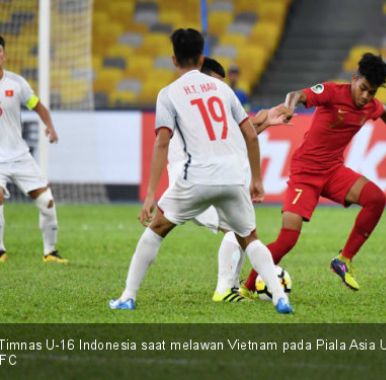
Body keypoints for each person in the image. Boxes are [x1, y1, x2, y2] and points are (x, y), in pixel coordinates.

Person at [109, 28, 293, 314]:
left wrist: (149, 195)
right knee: (248, 237)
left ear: (173, 59)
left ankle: (128, 296)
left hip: (193, 180)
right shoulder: (224, 89)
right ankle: (280, 297)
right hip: (232, 178)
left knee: (155, 231)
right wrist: (257, 179)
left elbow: (161, 142)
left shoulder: (169, 94)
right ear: (202, 56)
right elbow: (248, 135)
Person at [241, 53, 386, 295]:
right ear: (354, 79)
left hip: (333, 171)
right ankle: (246, 288)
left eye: (372, 92)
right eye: (363, 88)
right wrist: (289, 106)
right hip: (305, 173)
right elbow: (298, 94)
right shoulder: (331, 91)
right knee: (287, 239)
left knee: (376, 199)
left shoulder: (370, 105)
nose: (366, 96)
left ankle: (344, 259)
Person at [168, 57, 290, 303]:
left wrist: (265, 122)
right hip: (193, 180)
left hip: (203, 177)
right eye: (214, 82)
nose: (218, 88)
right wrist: (262, 120)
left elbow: (236, 135)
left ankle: (230, 288)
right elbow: (240, 130)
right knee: (238, 229)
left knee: (240, 229)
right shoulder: (191, 104)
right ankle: (225, 289)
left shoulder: (211, 103)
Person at [0, 34, 66, 264]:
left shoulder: (16, 84)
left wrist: (50, 127)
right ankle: (0, 252)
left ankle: (50, 252)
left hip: (19, 155)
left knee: (47, 202)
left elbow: (37, 106)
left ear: (4, 55)